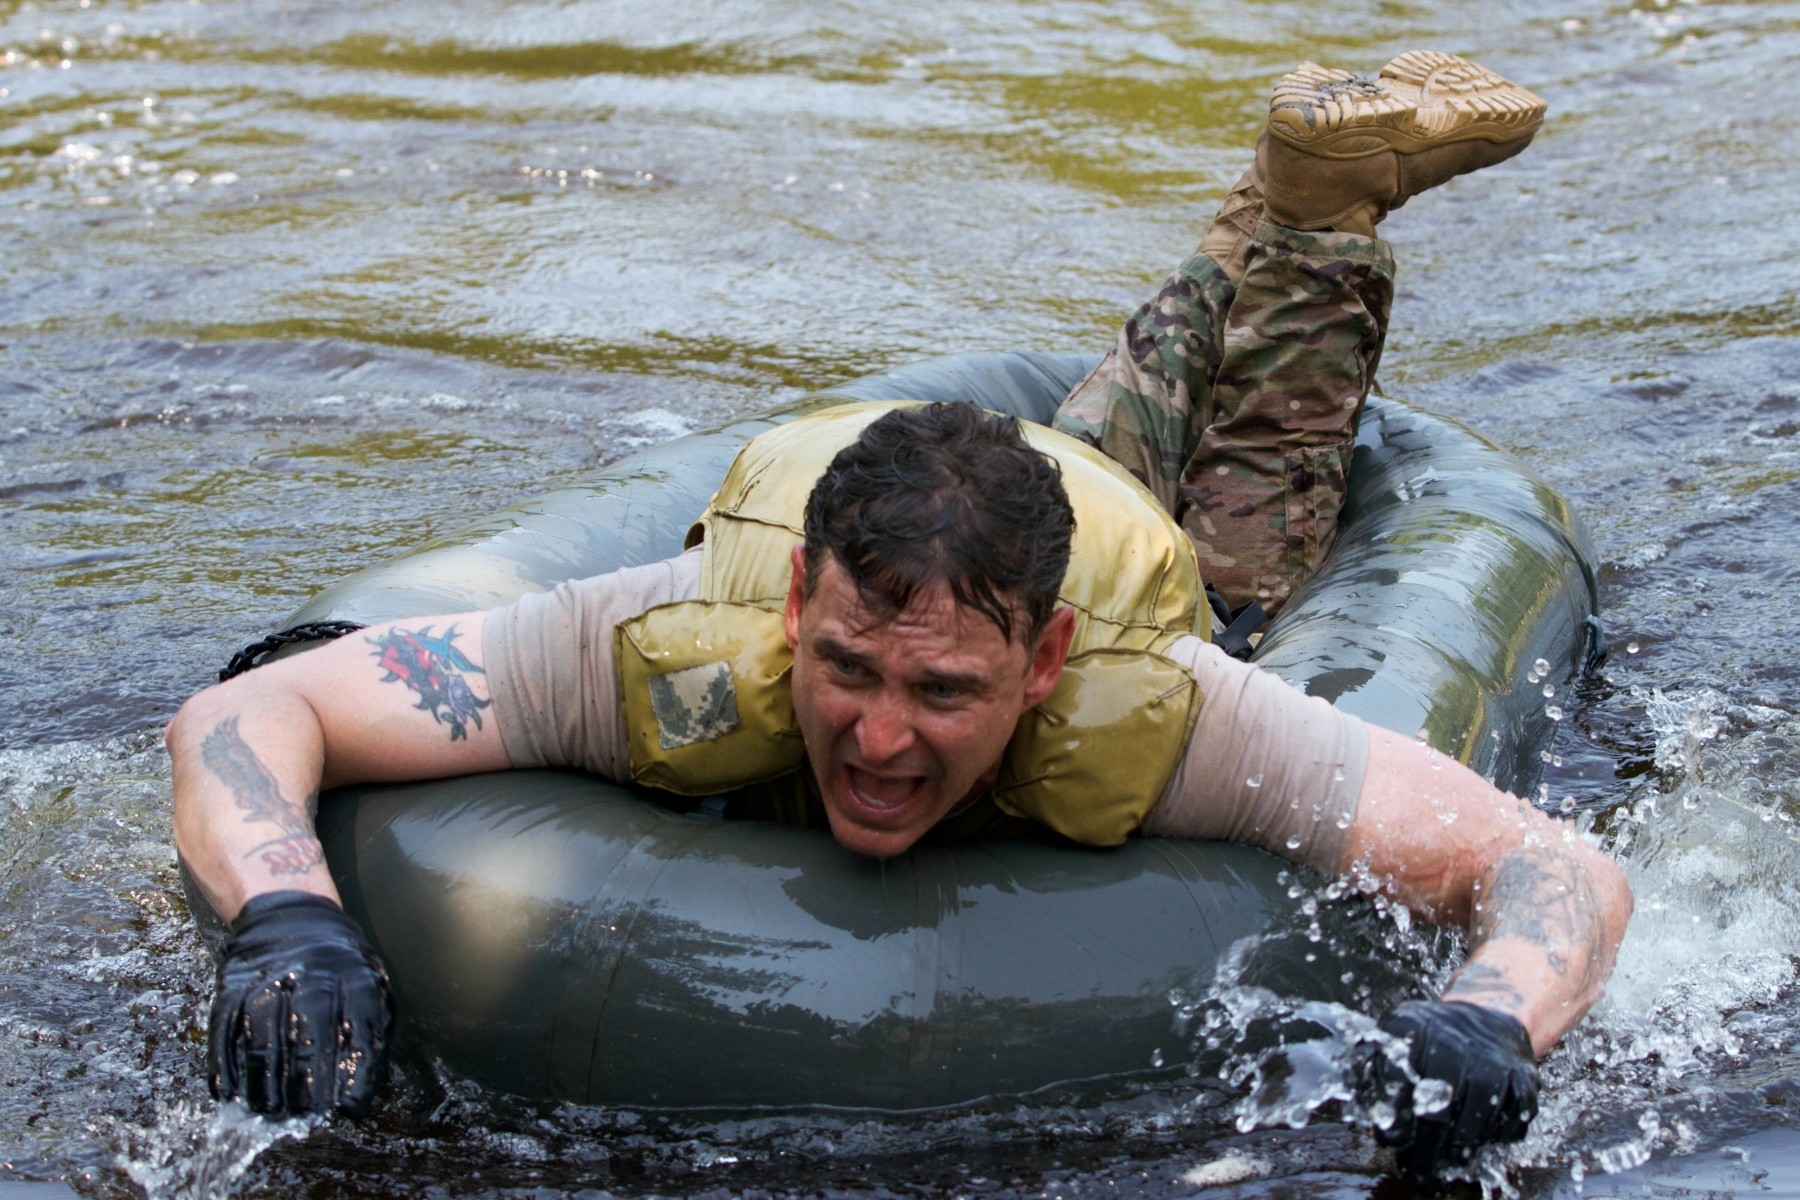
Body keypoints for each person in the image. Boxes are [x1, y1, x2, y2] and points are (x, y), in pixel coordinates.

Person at [167, 53, 1632, 1183]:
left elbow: (1549, 868)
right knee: (1119, 428)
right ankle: (1277, 193)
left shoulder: (1171, 709)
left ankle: (1312, 213)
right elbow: (251, 710)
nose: (875, 737)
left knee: (1259, 497)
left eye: (943, 698)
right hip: (992, 491)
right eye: (848, 669)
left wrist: (1491, 1018)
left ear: (1040, 666)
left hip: (1127, 551)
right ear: (797, 604)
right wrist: (289, 915)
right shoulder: (672, 636)